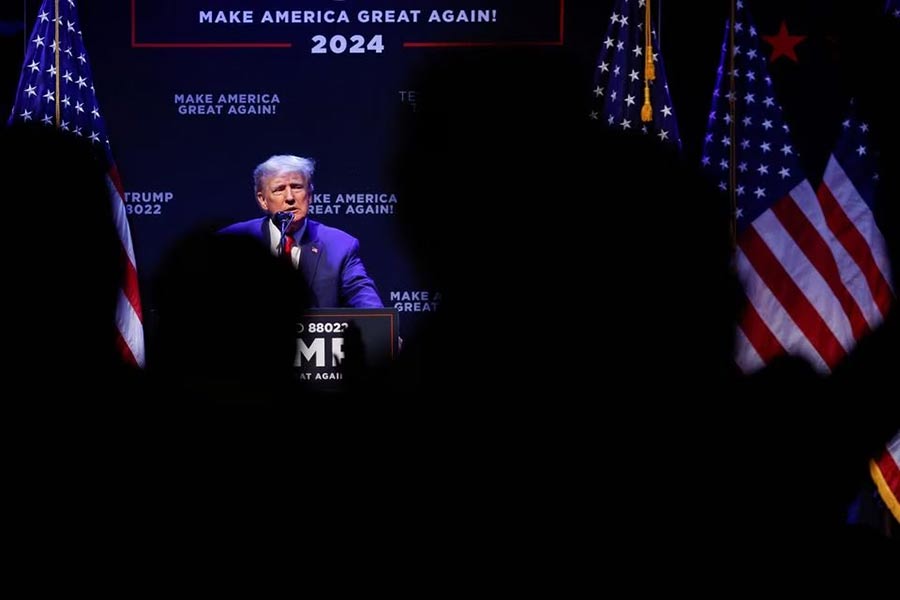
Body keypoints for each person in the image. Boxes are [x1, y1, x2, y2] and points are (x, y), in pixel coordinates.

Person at [220, 154, 383, 308]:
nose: (290, 197)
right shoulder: (234, 241)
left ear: (310, 195)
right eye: (279, 189)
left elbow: (364, 298)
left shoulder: (339, 245)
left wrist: (382, 330)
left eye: (297, 187)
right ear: (263, 200)